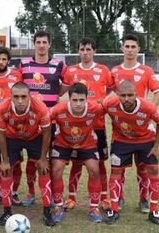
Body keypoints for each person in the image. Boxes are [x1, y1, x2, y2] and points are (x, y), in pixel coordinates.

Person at [110, 34, 159, 213]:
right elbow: (107, 92)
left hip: (142, 128)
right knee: (119, 168)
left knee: (144, 167)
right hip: (121, 129)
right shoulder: (115, 71)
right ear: (122, 48)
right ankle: (120, 198)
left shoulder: (146, 70)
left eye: (133, 46)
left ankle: (144, 199)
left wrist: (148, 114)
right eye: (127, 46)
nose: (130, 49)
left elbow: (158, 93)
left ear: (138, 49)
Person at [61, 38, 114, 210]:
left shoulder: (104, 70)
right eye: (82, 49)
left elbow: (112, 89)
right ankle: (71, 197)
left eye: (89, 49)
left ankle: (104, 197)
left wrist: (102, 102)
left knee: (99, 163)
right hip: (75, 126)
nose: (85, 52)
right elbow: (61, 89)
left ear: (94, 51)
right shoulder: (71, 71)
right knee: (76, 163)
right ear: (78, 51)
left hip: (97, 125)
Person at [103, 80, 159, 225]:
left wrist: (156, 146)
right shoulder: (110, 104)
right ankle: (114, 209)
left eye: (130, 95)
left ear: (136, 94)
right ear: (117, 94)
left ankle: (153, 210)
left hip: (145, 139)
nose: (126, 99)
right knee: (116, 172)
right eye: (123, 95)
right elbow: (97, 111)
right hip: (121, 140)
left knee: (153, 169)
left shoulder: (147, 107)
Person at [18, 30, 68, 206]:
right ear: (34, 44)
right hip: (29, 121)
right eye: (38, 42)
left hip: (51, 121)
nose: (41, 45)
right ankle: (31, 193)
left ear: (49, 44)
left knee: (50, 161)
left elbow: (66, 85)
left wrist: (52, 95)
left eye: (44, 42)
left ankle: (53, 196)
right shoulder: (23, 64)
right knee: (33, 160)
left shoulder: (59, 64)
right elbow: (17, 88)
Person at [0, 82, 55, 227]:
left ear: (29, 97)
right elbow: (1, 136)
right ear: (11, 97)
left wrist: (43, 158)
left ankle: (47, 211)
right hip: (12, 137)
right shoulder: (3, 108)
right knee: (6, 169)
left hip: (35, 137)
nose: (20, 101)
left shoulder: (40, 107)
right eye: (16, 97)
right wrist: (4, 160)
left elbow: (47, 133)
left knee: (43, 168)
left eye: (23, 97)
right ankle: (7, 210)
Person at [50, 83, 105, 223]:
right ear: (69, 99)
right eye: (75, 100)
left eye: (81, 100)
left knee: (94, 169)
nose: (78, 104)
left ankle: (94, 208)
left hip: (87, 143)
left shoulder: (95, 108)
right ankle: (57, 205)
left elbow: (112, 110)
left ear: (87, 99)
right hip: (63, 143)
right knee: (56, 169)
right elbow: (44, 121)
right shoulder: (58, 110)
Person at [0, 46, 23, 206]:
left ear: (8, 61)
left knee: (15, 162)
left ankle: (13, 191)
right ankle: (0, 192)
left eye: (4, 59)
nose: (1, 62)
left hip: (14, 128)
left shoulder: (16, 76)